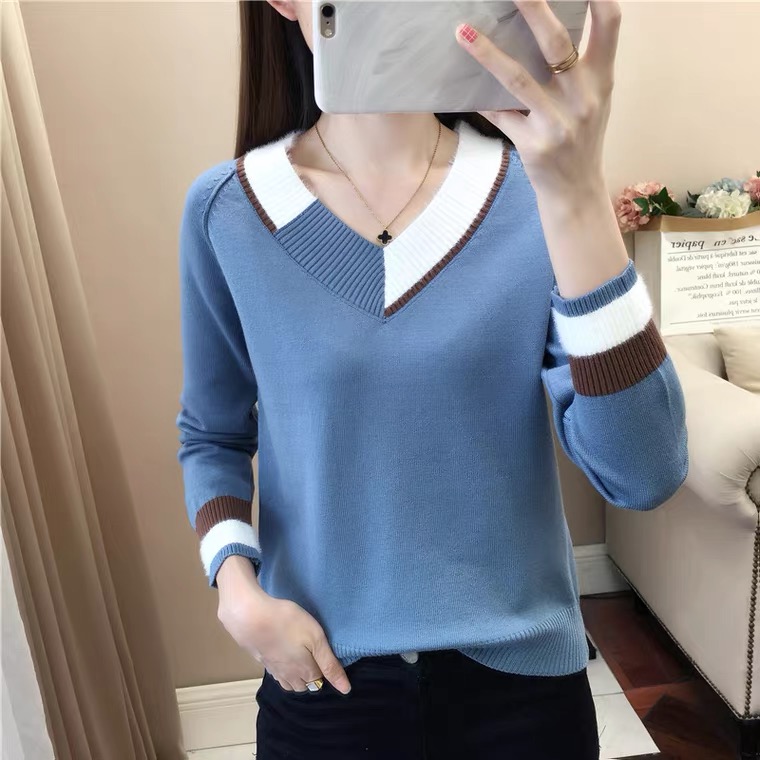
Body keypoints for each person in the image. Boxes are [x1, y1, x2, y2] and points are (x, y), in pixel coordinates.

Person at [174, 1, 688, 757]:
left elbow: (643, 472)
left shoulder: (537, 190)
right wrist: (237, 591)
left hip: (524, 693)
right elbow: (212, 435)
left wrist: (577, 193)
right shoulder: (226, 211)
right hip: (322, 680)